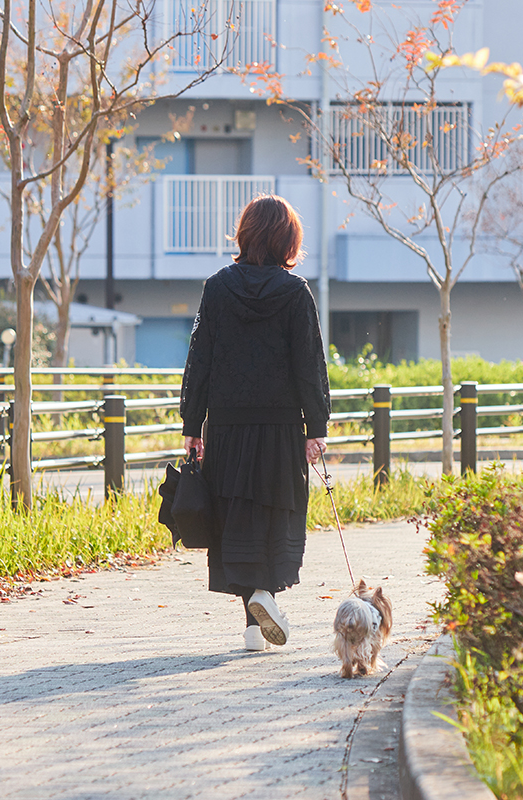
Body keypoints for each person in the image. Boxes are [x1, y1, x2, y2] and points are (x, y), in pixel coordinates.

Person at [179, 195, 330, 652]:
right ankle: (266, 595)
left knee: (235, 513)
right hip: (280, 425)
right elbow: (309, 363)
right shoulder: (294, 292)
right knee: (274, 508)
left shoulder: (217, 288)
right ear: (288, 239)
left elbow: (199, 356)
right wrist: (316, 425)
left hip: (226, 424)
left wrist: (192, 421)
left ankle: (251, 625)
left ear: (245, 234)